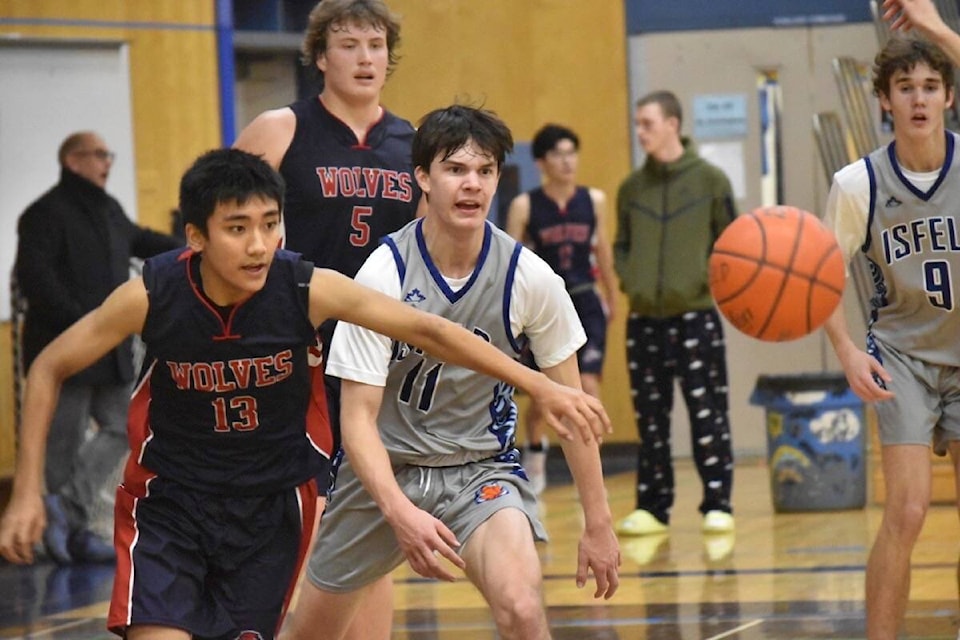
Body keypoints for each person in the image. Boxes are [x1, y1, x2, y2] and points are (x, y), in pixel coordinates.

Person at [0, 148, 610, 640]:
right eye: (237, 229)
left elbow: (427, 328)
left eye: (270, 225)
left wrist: (538, 384)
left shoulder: (304, 287)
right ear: (196, 236)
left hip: (270, 510)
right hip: (171, 503)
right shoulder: (153, 294)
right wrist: (28, 492)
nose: (259, 245)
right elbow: (51, 365)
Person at [282, 105, 620, 640]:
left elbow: (573, 411)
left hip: (479, 470)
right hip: (385, 473)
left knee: (522, 608)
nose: (472, 185)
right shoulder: (384, 271)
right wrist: (399, 512)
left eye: (485, 172)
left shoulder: (530, 278)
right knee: (312, 635)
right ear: (422, 177)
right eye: (456, 170)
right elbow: (358, 421)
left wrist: (598, 524)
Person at [233, 2, 420, 632]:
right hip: (292, 349)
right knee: (294, 520)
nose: (366, 58)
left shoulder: (415, 144)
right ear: (319, 56)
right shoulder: (279, 129)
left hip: (376, 356)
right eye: (349, 45)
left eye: (375, 45)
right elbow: (219, 230)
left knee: (371, 523)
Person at [824, 4, 960, 636]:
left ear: (950, 96)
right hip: (902, 356)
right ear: (885, 101)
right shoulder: (857, 185)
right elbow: (819, 276)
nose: (918, 99)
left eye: (930, 86)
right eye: (904, 88)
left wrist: (933, 26)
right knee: (907, 510)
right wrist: (849, 351)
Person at [14, 131, 181, 564]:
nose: (108, 162)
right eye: (99, 155)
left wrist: (194, 245)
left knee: (123, 427)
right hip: (66, 349)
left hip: (110, 351)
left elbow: (143, 240)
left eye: (109, 154)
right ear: (73, 161)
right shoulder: (44, 214)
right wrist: (84, 325)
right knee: (62, 445)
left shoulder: (108, 210)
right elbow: (37, 280)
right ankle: (65, 533)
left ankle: (66, 512)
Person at [613, 90, 736, 537]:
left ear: (672, 124)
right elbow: (621, 244)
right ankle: (653, 507)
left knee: (708, 413)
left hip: (696, 315)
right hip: (643, 318)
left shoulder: (711, 181)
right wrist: (631, 281)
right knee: (650, 419)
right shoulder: (631, 188)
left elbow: (732, 247)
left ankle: (718, 503)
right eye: (638, 123)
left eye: (647, 122)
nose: (640, 131)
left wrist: (704, 284)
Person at [505, 124, 619, 494]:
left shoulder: (594, 200)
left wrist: (613, 295)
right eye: (558, 154)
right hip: (548, 307)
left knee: (586, 385)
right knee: (545, 398)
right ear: (541, 162)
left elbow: (602, 250)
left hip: (586, 299)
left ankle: (592, 478)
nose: (568, 161)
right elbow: (510, 262)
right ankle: (535, 458)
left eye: (572, 152)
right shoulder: (525, 206)